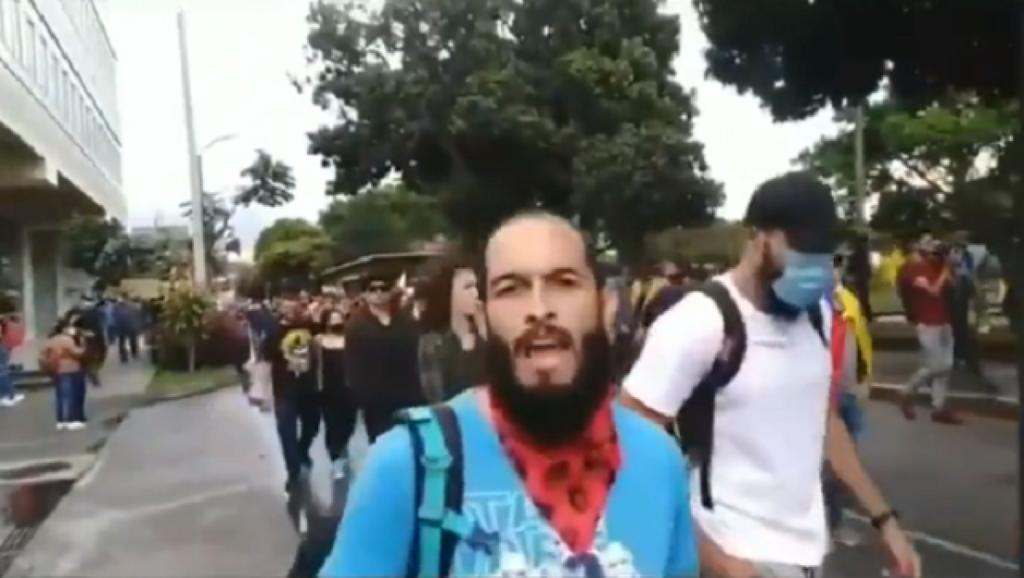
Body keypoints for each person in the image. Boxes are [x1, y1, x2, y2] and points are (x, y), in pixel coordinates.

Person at [321, 211, 698, 577]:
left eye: (564, 282)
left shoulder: (659, 461)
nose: (539, 310)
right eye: (511, 289)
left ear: (605, 307)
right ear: (483, 318)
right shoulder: (405, 465)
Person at [622, 172, 920, 578]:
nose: (815, 263)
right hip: (733, 549)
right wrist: (721, 563)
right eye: (801, 248)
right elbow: (628, 453)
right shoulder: (699, 321)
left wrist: (884, 520)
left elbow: (823, 422)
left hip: (808, 553)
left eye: (824, 250)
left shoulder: (818, 316)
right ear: (756, 238)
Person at [825, 253, 875, 548]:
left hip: (848, 393)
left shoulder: (849, 301)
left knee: (845, 465)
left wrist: (864, 379)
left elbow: (862, 342)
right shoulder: (805, 306)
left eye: (836, 265)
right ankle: (827, 525)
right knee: (825, 467)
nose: (834, 271)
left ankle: (834, 523)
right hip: (822, 397)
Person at [344, 274, 424, 443]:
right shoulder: (356, 325)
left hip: (408, 392)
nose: (379, 293)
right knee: (381, 442)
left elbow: (416, 352)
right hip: (375, 398)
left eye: (383, 288)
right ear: (365, 294)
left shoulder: (405, 320)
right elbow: (353, 362)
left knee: (411, 440)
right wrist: (360, 396)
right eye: (373, 289)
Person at [898, 239, 962, 425]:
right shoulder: (912, 270)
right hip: (927, 323)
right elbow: (933, 290)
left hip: (944, 321)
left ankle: (939, 407)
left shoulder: (937, 267)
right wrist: (944, 272)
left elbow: (952, 286)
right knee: (935, 365)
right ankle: (907, 391)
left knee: (947, 365)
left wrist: (949, 269)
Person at [263, 295, 321, 494]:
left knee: (312, 425)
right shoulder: (273, 332)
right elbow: (265, 361)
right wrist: (263, 391)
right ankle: (293, 470)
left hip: (308, 388)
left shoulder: (310, 326)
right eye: (285, 306)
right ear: (280, 309)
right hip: (284, 390)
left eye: (293, 305)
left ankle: (302, 449)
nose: (290, 309)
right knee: (286, 431)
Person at [418, 255, 487, 403]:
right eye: (468, 287)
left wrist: (485, 337)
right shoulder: (433, 344)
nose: (475, 294)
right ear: (449, 293)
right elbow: (437, 397)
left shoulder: (487, 335)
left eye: (476, 286)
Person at [316, 308, 358, 480]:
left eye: (339, 319)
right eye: (332, 320)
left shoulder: (350, 341)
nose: (336, 323)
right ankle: (335, 458)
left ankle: (342, 445)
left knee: (349, 423)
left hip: (348, 389)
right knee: (332, 425)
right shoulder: (319, 342)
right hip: (328, 390)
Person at [40, 317, 88, 430]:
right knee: (72, 395)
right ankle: (71, 420)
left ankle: (60, 420)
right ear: (64, 328)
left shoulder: (51, 340)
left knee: (60, 396)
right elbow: (78, 353)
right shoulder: (67, 340)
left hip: (57, 370)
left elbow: (43, 354)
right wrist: (83, 343)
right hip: (71, 369)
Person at [0, 313, 25, 407]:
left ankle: (10, 395)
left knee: (4, 371)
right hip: (3, 345)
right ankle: (4, 396)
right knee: (2, 372)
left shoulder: (5, 321)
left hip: (5, 345)